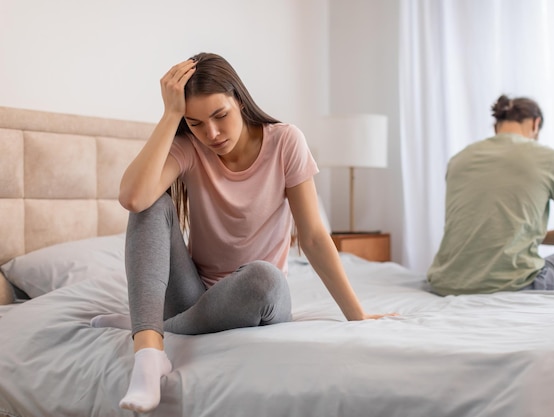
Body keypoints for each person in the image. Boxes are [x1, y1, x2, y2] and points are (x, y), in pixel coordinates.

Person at [91, 52, 395, 413]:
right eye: (197, 123)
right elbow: (132, 197)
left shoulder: (285, 142)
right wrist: (170, 115)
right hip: (193, 293)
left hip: (256, 297)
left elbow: (313, 236)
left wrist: (356, 315)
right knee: (151, 202)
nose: (212, 134)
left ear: (240, 99)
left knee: (264, 278)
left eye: (220, 116)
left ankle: (150, 321)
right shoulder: (189, 146)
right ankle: (148, 351)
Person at [427, 94, 554, 296]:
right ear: (535, 124)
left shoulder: (459, 160)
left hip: (445, 284)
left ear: (496, 126)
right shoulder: (546, 157)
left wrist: (517, 234)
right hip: (515, 285)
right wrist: (534, 236)